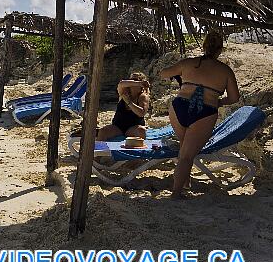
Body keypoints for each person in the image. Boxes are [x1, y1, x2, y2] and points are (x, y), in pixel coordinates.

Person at [160, 30, 240, 199]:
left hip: (179, 107)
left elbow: (163, 73)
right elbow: (234, 98)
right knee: (187, 155)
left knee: (184, 147)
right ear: (220, 50)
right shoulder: (225, 71)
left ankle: (185, 183)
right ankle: (176, 193)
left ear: (204, 46)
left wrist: (181, 73)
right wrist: (219, 102)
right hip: (205, 111)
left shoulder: (189, 62)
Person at [97, 72, 151, 141]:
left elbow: (141, 113)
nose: (132, 82)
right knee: (102, 131)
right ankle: (98, 151)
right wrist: (139, 83)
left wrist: (129, 102)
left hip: (134, 127)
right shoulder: (124, 92)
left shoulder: (143, 96)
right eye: (131, 80)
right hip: (118, 126)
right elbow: (121, 83)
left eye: (135, 79)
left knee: (141, 131)